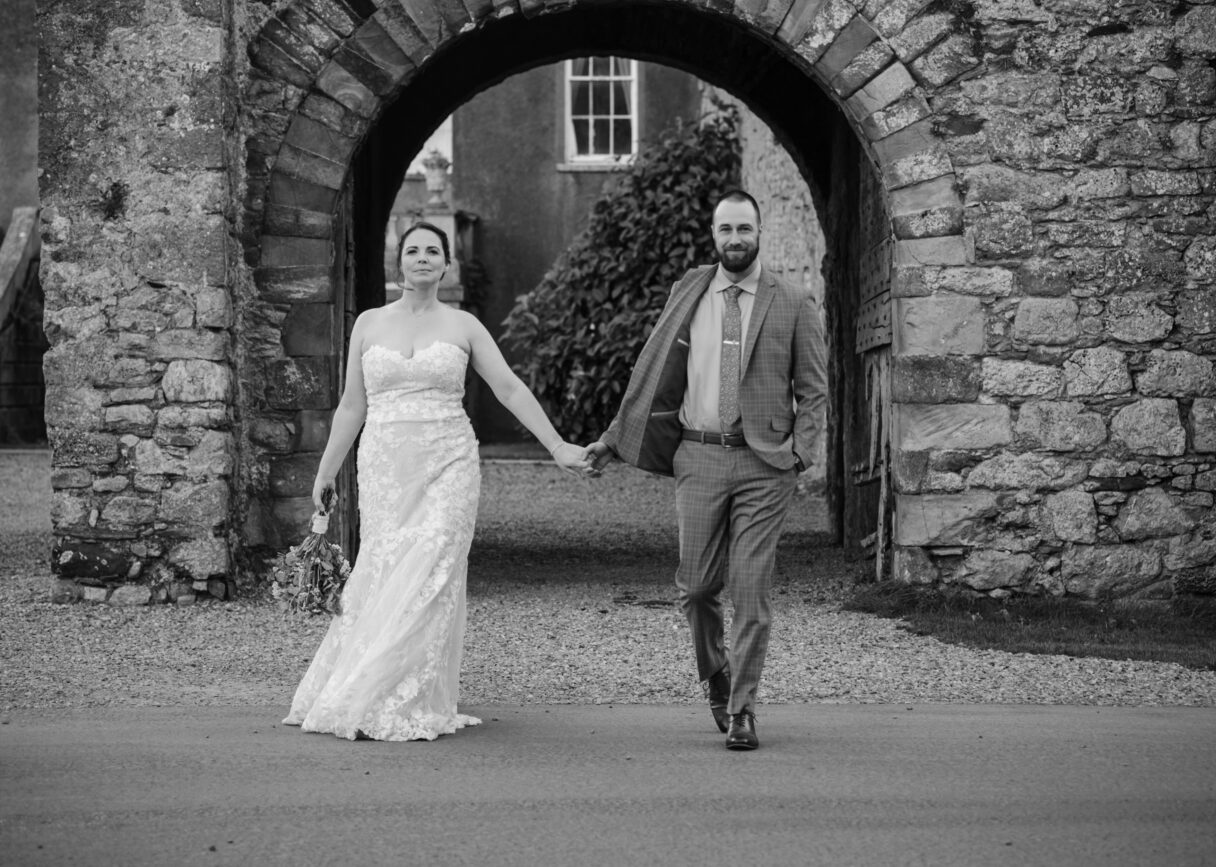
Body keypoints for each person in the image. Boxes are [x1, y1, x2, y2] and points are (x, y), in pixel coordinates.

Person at [283, 221, 590, 742]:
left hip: (449, 461)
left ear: (446, 265)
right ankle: (367, 686)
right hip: (385, 465)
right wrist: (325, 470)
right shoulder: (369, 325)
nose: (422, 258)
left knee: (434, 563)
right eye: (413, 251)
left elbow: (509, 388)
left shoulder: (465, 325)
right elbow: (352, 405)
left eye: (432, 251)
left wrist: (556, 445)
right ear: (397, 263)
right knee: (385, 567)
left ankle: (410, 694)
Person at [584, 190, 827, 750]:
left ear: (760, 231)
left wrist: (799, 454)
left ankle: (742, 709)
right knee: (695, 589)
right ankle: (715, 671)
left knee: (750, 591)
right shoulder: (689, 292)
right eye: (726, 230)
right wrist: (612, 441)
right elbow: (652, 374)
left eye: (744, 228)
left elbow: (814, 391)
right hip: (698, 456)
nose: (735, 239)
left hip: (765, 464)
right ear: (713, 235)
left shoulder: (792, 300)